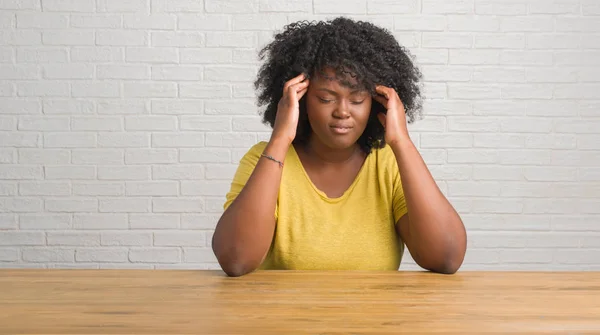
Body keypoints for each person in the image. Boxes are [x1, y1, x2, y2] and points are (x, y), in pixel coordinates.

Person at [212, 17, 467, 277]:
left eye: (357, 99)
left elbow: (446, 258)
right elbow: (236, 259)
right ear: (300, 99)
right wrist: (279, 139)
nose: (342, 112)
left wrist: (402, 143)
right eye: (326, 98)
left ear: (375, 103)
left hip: (375, 316)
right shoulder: (265, 159)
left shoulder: (387, 163)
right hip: (284, 316)